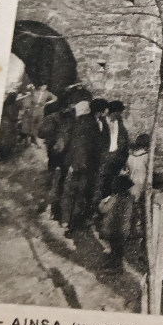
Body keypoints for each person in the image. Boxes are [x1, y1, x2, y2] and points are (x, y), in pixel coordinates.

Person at [102, 133, 149, 268]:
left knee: (127, 208)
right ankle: (132, 231)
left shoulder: (131, 156)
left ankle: (130, 230)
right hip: (141, 185)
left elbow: (127, 170)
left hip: (130, 184)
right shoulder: (146, 157)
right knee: (136, 209)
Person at [60, 99, 100, 236]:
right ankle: (70, 223)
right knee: (77, 194)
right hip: (82, 165)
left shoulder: (82, 122)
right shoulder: (90, 124)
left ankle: (67, 221)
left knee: (71, 193)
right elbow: (79, 145)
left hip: (80, 164)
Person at [95, 100, 130, 207]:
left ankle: (104, 210)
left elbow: (125, 142)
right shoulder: (100, 122)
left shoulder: (120, 124)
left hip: (115, 158)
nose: (121, 115)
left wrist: (123, 159)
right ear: (114, 112)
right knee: (98, 183)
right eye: (120, 112)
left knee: (109, 184)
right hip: (103, 158)